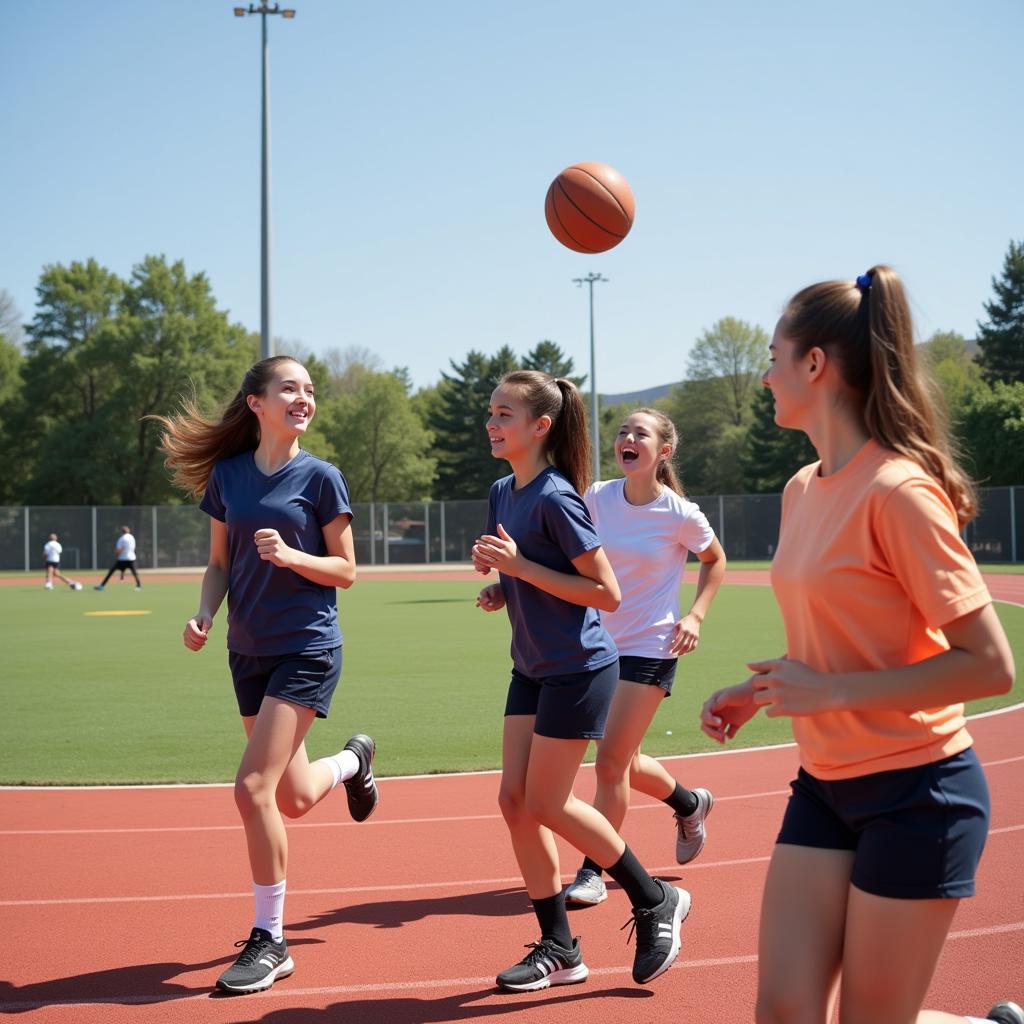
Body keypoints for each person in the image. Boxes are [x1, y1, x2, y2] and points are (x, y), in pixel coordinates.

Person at [699, 267, 1018, 1024]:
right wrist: (768, 687)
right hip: (825, 784)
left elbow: (992, 665)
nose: (766, 377)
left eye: (775, 356)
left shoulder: (900, 492)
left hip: (921, 794)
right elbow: (843, 628)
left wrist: (834, 692)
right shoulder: (802, 488)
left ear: (815, 365)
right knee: (784, 1013)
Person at [153, 355, 378, 996]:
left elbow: (347, 571)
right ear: (256, 402)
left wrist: (292, 554)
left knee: (252, 788)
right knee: (295, 796)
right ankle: (354, 763)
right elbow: (218, 562)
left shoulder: (322, 478)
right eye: (290, 388)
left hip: (306, 648)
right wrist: (202, 614)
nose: (304, 397)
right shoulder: (228, 476)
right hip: (245, 650)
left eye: (309, 390)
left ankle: (270, 939)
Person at [473, 370, 689, 993]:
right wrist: (502, 582)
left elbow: (607, 593)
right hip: (532, 665)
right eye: (491, 412)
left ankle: (654, 900)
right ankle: (561, 947)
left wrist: (519, 567)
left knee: (546, 802)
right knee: (514, 803)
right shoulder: (501, 491)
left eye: (505, 414)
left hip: (580, 667)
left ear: (541, 426)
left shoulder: (556, 496)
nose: (492, 423)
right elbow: (534, 573)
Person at [564, 407, 726, 907]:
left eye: (641, 433)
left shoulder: (680, 513)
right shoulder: (597, 497)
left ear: (663, 452)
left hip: (652, 646)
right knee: (625, 763)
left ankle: (594, 870)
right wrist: (508, 589)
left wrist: (695, 615)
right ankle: (689, 802)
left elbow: (714, 560)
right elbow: (568, 552)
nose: (627, 439)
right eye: (622, 432)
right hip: (598, 645)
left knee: (609, 764)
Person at [93, 525, 142, 590]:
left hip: (122, 559)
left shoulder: (122, 538)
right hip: (131, 558)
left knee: (111, 571)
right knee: (134, 573)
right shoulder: (132, 537)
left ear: (122, 532)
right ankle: (138, 586)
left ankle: (102, 586)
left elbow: (120, 549)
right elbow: (133, 547)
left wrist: (117, 552)